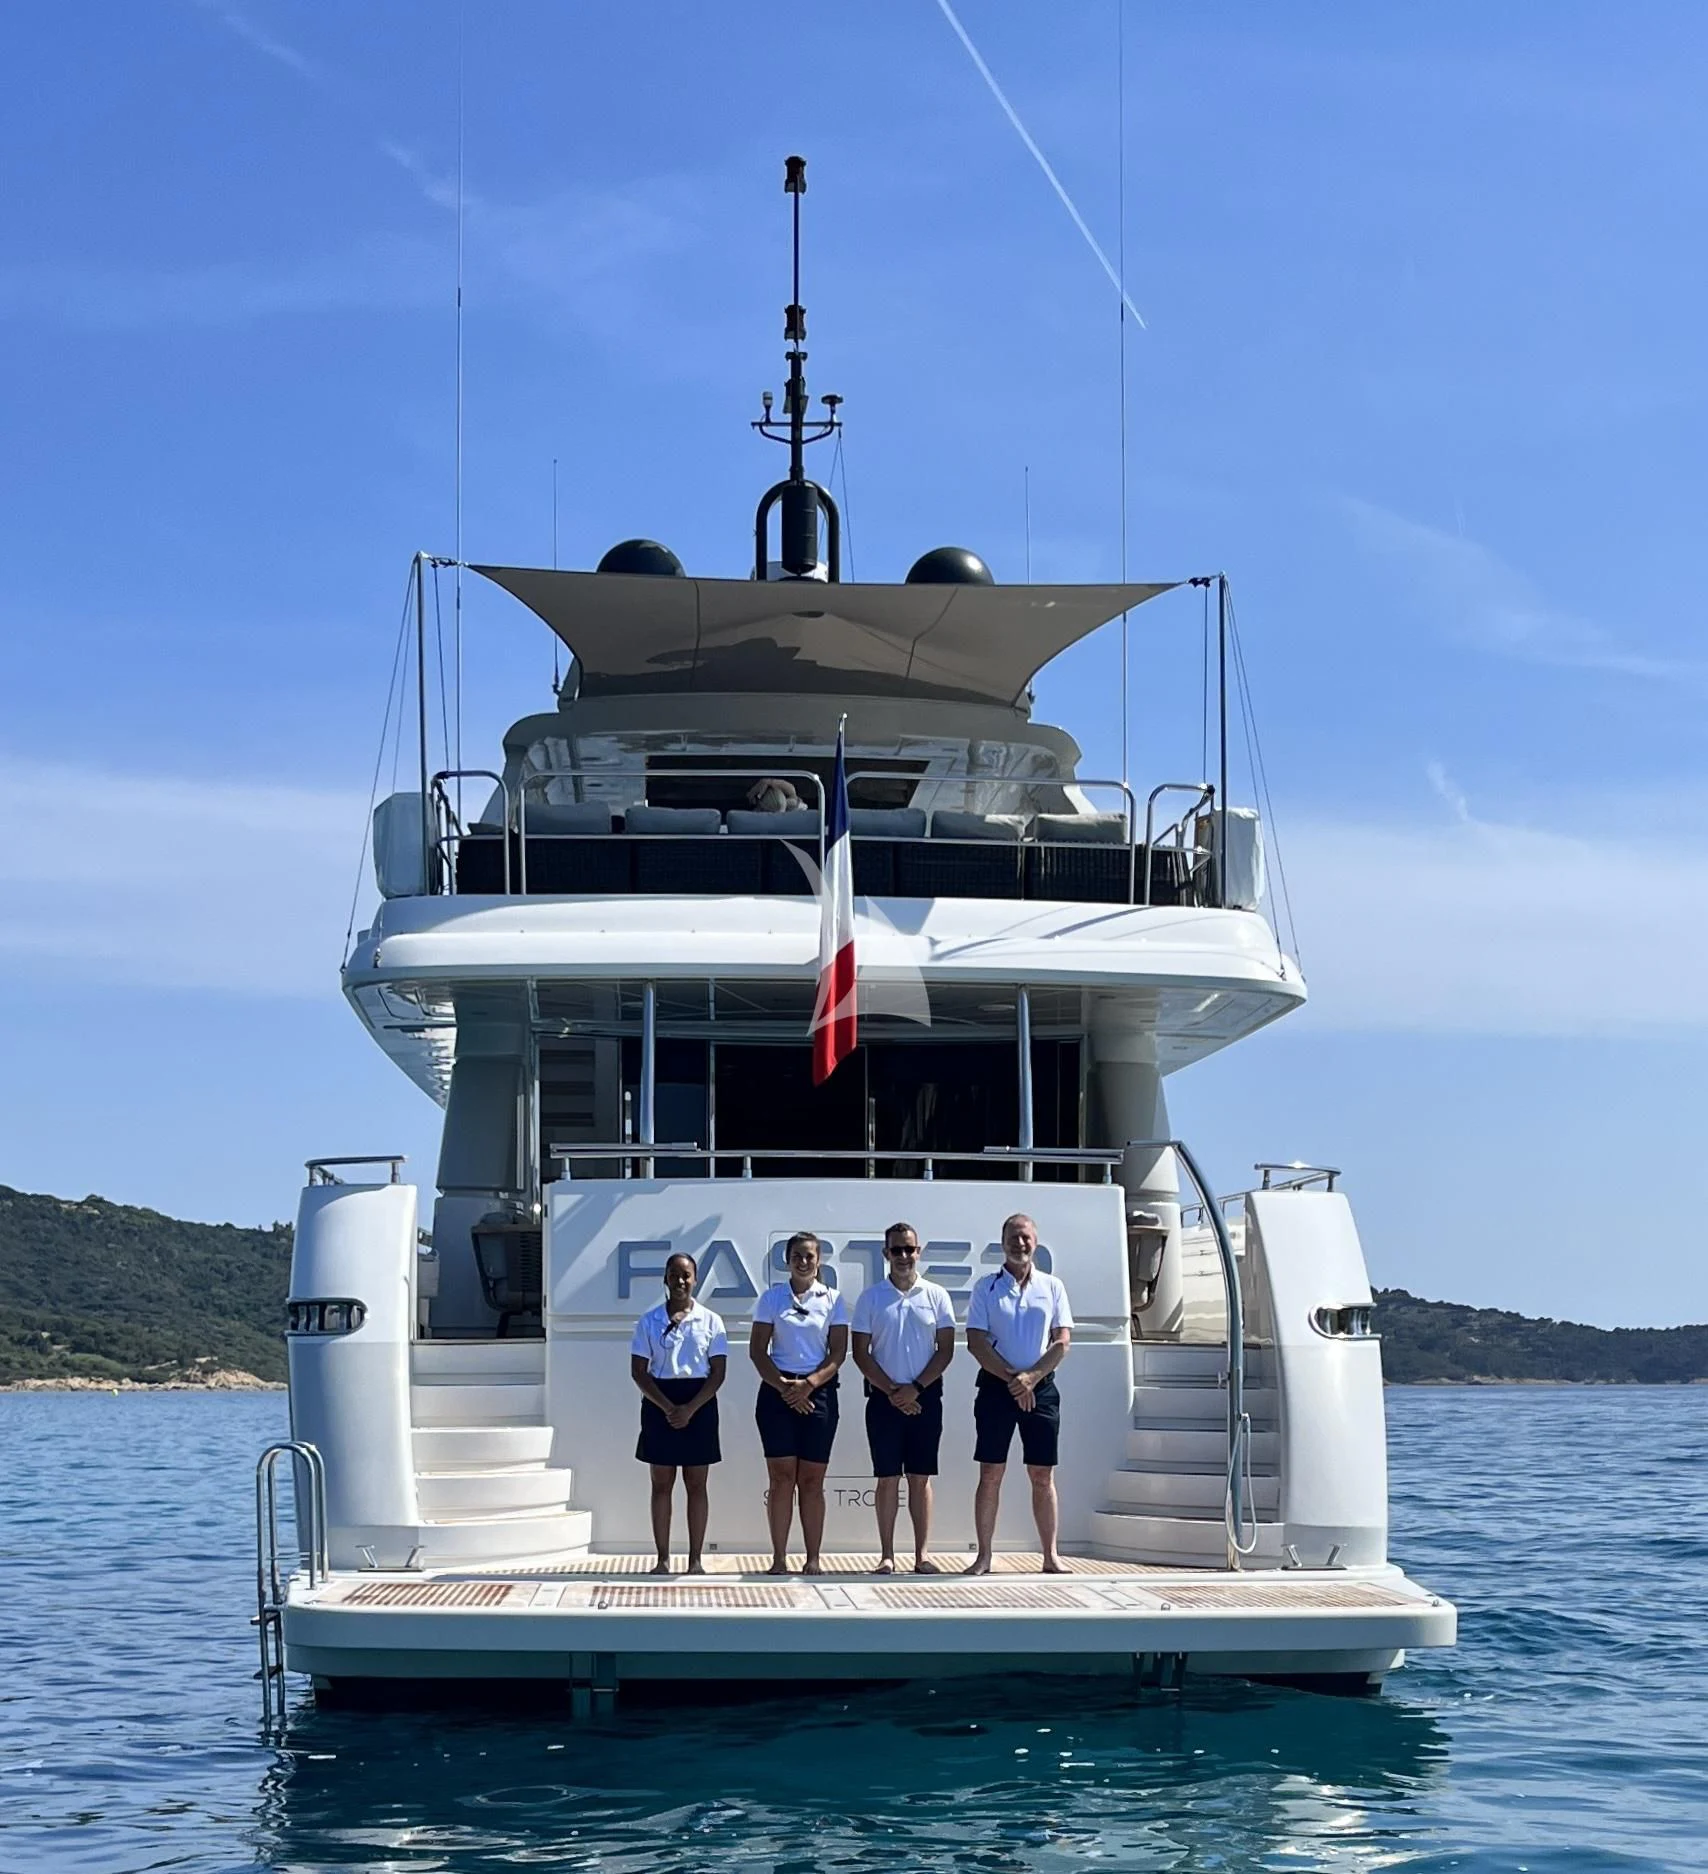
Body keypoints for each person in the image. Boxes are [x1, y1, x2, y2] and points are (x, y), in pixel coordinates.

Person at [964, 1212, 1073, 1574]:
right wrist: (1015, 1380)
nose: (1019, 1243)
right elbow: (976, 1343)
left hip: (1040, 1389)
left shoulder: (1053, 1287)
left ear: (1035, 1243)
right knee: (991, 1473)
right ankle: (984, 1557)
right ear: (1002, 1242)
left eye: (1025, 1237)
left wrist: (1031, 1379)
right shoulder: (985, 1287)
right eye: (1013, 1237)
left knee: (1042, 1476)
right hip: (997, 1389)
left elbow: (1062, 1342)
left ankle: (1050, 1556)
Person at [851, 1221, 956, 1575]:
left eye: (909, 1249)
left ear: (919, 1251)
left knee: (920, 1476)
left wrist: (916, 1389)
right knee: (887, 1478)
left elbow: (945, 1351)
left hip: (925, 1397)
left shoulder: (937, 1296)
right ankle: (886, 1554)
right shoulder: (871, 1298)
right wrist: (894, 1392)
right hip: (883, 1399)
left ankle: (922, 1554)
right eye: (897, 1250)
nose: (904, 1256)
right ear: (886, 1254)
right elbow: (861, 1354)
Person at [749, 1230, 849, 1575]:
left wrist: (808, 1385)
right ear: (787, 1260)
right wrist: (785, 1388)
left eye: (809, 1256)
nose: (803, 1262)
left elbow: (838, 1353)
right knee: (780, 1479)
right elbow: (757, 1351)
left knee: (811, 1480)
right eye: (797, 1256)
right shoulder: (771, 1298)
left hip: (818, 1393)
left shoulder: (833, 1299)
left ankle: (813, 1558)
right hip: (777, 1394)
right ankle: (778, 1558)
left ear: (819, 1260)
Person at [630, 1251, 727, 1575]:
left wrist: (690, 1408)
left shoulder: (711, 1321)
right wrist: (670, 1408)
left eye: (686, 1275)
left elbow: (717, 1373)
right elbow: (640, 1372)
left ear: (695, 1279)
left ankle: (695, 1560)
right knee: (661, 1484)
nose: (680, 1281)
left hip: (698, 1402)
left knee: (697, 1484)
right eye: (674, 1275)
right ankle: (662, 1559)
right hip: (661, 1403)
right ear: (665, 1279)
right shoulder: (649, 1321)